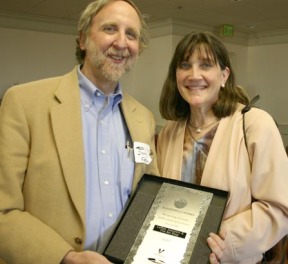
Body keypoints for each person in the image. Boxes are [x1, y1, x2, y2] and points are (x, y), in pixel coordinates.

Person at [0, 0, 159, 263]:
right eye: (110, 29)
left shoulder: (143, 118)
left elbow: (150, 198)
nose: (121, 43)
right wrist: (66, 258)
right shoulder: (24, 103)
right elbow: (3, 211)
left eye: (131, 34)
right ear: (83, 38)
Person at [157, 31, 288, 264]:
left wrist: (224, 243)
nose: (194, 75)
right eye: (185, 65)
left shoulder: (254, 124)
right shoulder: (169, 131)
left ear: (224, 75)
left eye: (206, 65)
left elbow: (280, 207)